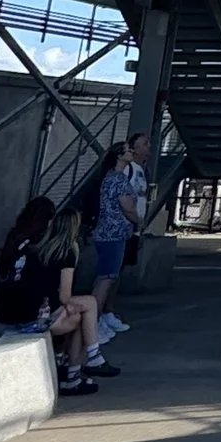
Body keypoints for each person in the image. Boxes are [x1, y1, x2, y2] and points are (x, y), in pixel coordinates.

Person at [0, 194, 111, 396]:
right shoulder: (63, 251)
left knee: (81, 312)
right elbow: (64, 295)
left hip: (7, 311)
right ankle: (87, 362)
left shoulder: (24, 244)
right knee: (87, 308)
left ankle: (76, 364)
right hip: (33, 316)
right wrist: (71, 306)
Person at [87, 135, 153, 342]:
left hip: (113, 232)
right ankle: (94, 323)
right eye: (127, 150)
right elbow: (127, 206)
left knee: (109, 276)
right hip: (114, 232)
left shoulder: (116, 176)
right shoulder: (119, 176)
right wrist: (137, 221)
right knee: (107, 278)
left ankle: (102, 317)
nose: (131, 153)